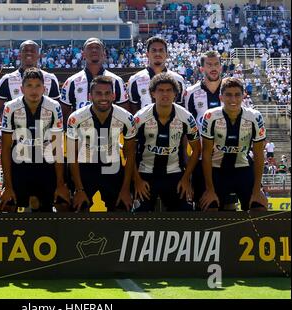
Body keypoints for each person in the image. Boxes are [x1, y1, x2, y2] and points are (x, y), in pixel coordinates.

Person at [0, 68, 70, 212]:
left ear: (44, 88)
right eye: (29, 86)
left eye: (38, 85)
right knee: (8, 204)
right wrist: (7, 186)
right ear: (22, 88)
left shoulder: (54, 107)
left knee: (63, 202)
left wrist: (60, 184)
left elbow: (58, 148)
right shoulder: (10, 108)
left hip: (45, 164)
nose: (34, 90)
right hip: (20, 164)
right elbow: (6, 149)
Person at [67, 75, 136, 212]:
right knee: (79, 208)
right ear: (89, 96)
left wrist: (125, 189)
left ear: (114, 95)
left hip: (112, 167)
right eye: (98, 93)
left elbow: (130, 155)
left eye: (107, 93)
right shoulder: (75, 118)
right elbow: (71, 155)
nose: (103, 98)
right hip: (85, 168)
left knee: (122, 208)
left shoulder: (127, 118)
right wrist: (79, 189)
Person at [132, 73, 201, 212]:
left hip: (174, 174)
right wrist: (137, 180)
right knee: (140, 213)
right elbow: (129, 151)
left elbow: (196, 150)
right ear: (152, 93)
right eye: (160, 90)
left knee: (185, 211)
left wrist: (186, 178)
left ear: (175, 94)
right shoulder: (139, 118)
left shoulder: (186, 118)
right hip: (145, 173)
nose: (165, 94)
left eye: (169, 90)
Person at [200, 77, 268, 211]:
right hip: (216, 170)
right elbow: (206, 154)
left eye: (237, 95)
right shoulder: (210, 116)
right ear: (221, 97)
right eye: (228, 95)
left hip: (243, 169)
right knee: (209, 208)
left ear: (243, 96)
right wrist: (209, 190)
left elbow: (259, 155)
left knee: (259, 208)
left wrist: (257, 190)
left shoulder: (255, 117)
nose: (233, 99)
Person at [185, 50, 238, 210]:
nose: (213, 68)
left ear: (221, 67)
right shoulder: (191, 93)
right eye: (209, 65)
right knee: (207, 207)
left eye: (216, 64)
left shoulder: (231, 92)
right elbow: (187, 129)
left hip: (227, 158)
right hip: (201, 160)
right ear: (202, 69)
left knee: (229, 207)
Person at [0, 40, 61, 120]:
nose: (29, 53)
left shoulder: (50, 79)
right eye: (25, 50)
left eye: (32, 51)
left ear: (39, 55)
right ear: (19, 55)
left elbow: (58, 110)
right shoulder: (8, 79)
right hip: (15, 132)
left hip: (43, 131)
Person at [60, 38, 129, 124]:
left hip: (110, 133)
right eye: (89, 47)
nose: (94, 50)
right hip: (81, 134)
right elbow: (63, 114)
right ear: (83, 54)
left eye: (97, 47)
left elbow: (125, 113)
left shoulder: (117, 81)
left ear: (104, 53)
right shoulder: (71, 82)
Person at [127, 36, 186, 114]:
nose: (157, 53)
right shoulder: (135, 80)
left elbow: (180, 109)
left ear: (167, 54)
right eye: (154, 50)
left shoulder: (178, 80)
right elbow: (133, 110)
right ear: (147, 54)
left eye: (161, 50)